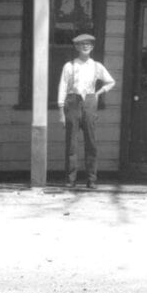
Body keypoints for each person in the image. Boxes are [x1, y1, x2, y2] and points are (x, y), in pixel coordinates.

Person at [57, 33, 115, 189]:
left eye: (88, 44)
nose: (85, 46)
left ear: (92, 47)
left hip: (89, 102)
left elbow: (110, 82)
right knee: (71, 144)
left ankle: (91, 179)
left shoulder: (97, 66)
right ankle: (71, 179)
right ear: (76, 47)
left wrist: (98, 93)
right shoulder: (69, 66)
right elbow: (62, 87)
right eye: (82, 44)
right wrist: (61, 111)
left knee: (91, 142)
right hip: (73, 102)